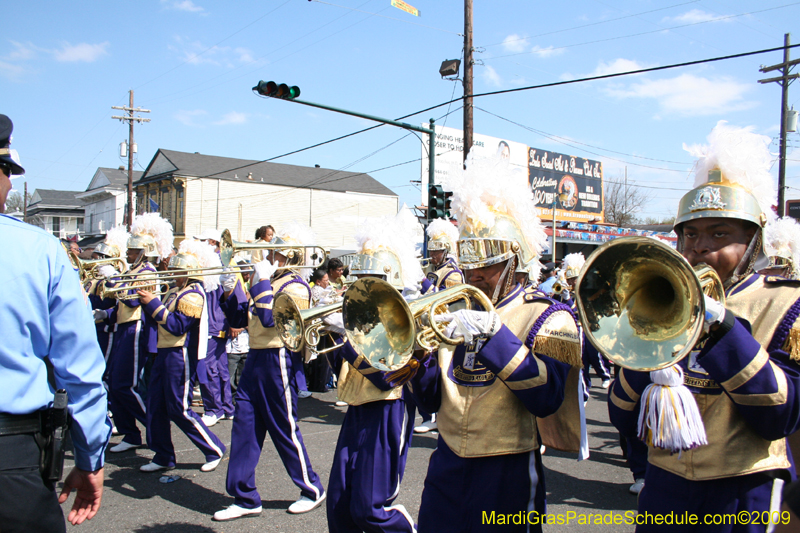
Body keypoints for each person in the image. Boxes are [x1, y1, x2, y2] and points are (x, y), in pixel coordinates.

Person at [608, 122, 800, 532]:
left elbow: (780, 417)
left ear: (753, 241)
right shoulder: (665, 300)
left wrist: (722, 329)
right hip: (664, 487)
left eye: (720, 233)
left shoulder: (785, 303)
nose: (700, 247)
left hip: (741, 494)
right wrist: (648, 350)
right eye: (690, 234)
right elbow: (623, 417)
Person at [409, 155, 585, 532]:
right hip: (447, 461)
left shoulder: (550, 316)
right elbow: (431, 400)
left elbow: (547, 396)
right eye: (468, 258)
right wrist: (412, 353)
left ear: (516, 261)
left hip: (508, 468)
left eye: (488, 261)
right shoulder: (457, 308)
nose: (474, 273)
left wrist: (495, 336)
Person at [0, 114, 111, 531]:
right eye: (7, 171)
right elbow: (80, 372)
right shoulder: (39, 250)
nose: (10, 184)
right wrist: (90, 458)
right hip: (11, 458)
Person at [213, 221, 326, 521]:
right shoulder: (270, 281)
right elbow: (241, 316)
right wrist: (231, 286)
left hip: (279, 360)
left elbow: (267, 319)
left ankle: (312, 488)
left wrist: (260, 281)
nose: (269, 257)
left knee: (284, 428)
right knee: (245, 426)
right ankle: (244, 495)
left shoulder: (297, 288)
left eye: (276, 253)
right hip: (256, 358)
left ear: (290, 258)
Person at [323, 208, 424, 533]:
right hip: (357, 408)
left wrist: (347, 339)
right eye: (361, 282)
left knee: (371, 508)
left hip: (389, 408)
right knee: (338, 505)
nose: (363, 289)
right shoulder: (364, 315)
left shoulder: (406, 320)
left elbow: (385, 377)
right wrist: (334, 336)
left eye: (372, 283)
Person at [136, 239, 227, 472]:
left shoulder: (193, 294)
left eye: (178, 271)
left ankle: (214, 448)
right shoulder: (177, 291)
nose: (173, 274)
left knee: (179, 408)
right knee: (155, 406)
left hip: (180, 355)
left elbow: (177, 326)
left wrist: (153, 304)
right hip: (163, 353)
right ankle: (163, 456)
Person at [102, 213, 173, 453]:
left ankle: (153, 428)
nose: (128, 255)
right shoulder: (133, 271)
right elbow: (121, 306)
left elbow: (133, 302)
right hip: (123, 327)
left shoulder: (147, 272)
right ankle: (130, 433)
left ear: (143, 252)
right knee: (114, 383)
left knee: (125, 385)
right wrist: (105, 314)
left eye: (133, 251)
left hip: (136, 330)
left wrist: (115, 280)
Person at [194, 229, 235, 427]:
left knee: (208, 367)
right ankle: (226, 407)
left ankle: (214, 408)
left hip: (212, 322)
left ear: (211, 241)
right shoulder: (218, 262)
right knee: (220, 368)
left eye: (202, 240)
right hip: (217, 321)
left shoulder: (216, 262)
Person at [558, 253, 611, 391]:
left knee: (595, 356)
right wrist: (564, 296)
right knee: (581, 361)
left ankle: (605, 376)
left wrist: (569, 299)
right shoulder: (568, 292)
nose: (572, 282)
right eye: (570, 279)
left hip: (589, 328)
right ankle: (585, 389)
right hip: (575, 330)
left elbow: (578, 310)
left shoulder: (586, 291)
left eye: (574, 279)